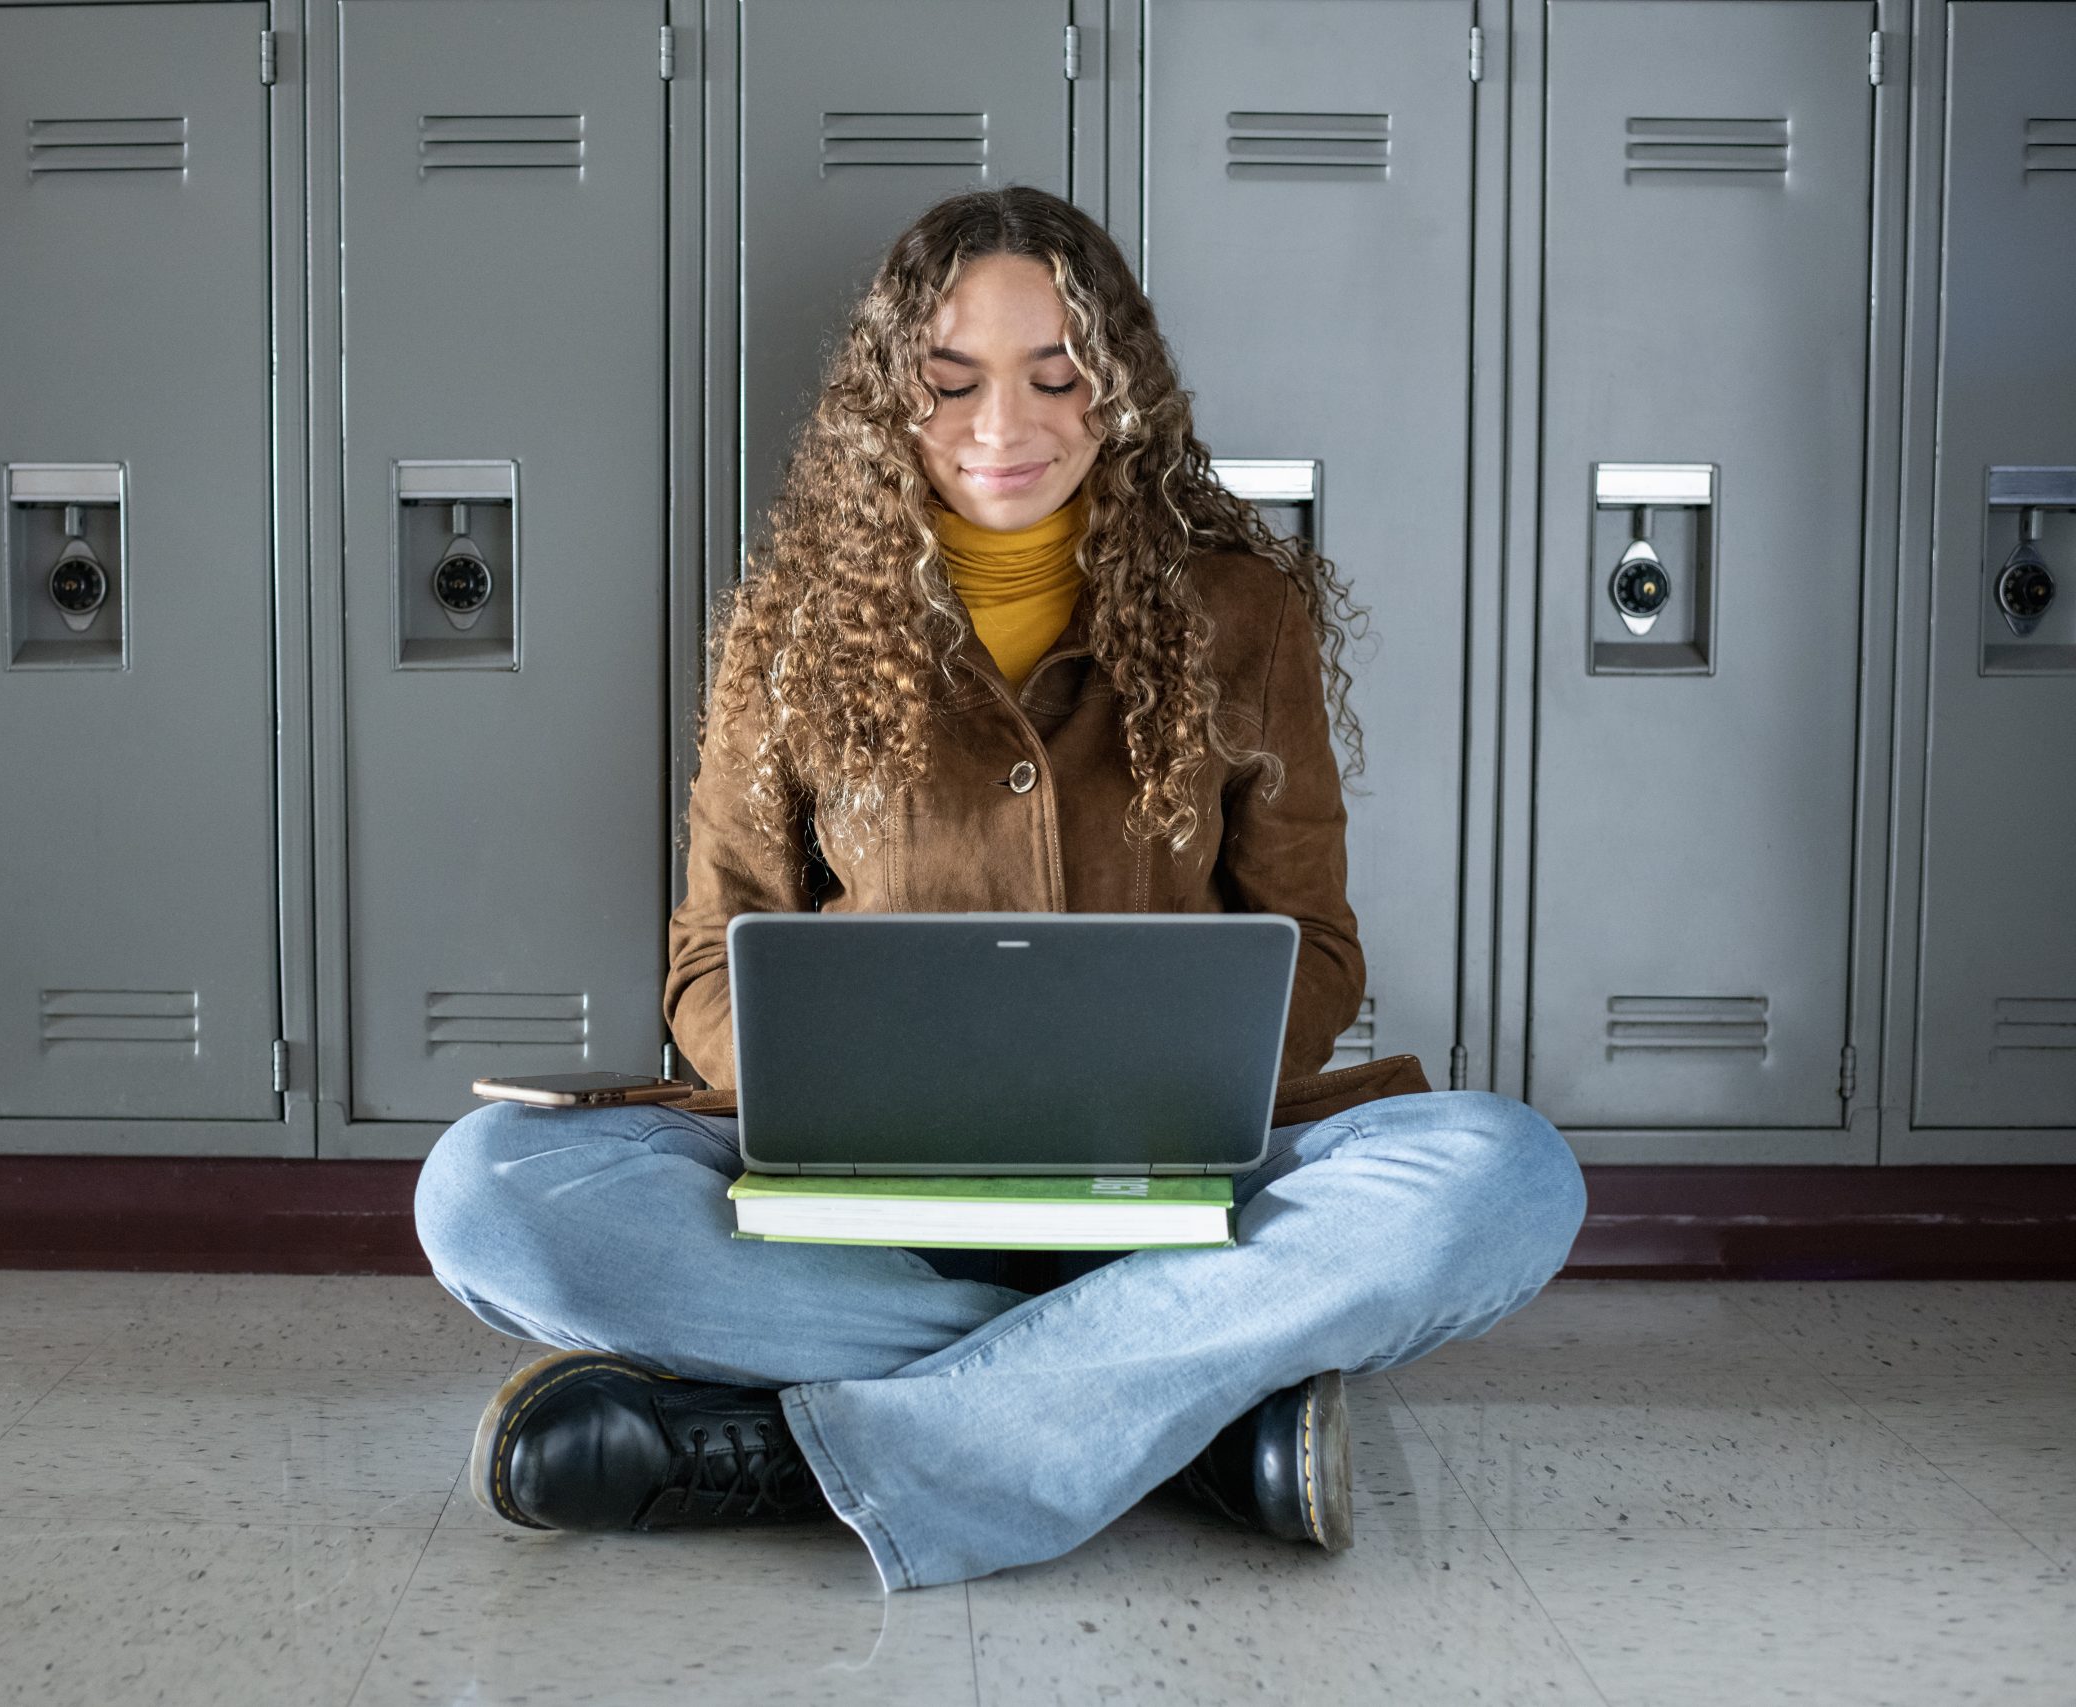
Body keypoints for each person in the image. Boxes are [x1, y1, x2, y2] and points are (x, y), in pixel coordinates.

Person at [413, 187, 1587, 1593]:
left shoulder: (1239, 610)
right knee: (483, 1198)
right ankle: (1183, 1398)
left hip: (1171, 1180)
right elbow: (708, 961)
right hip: (859, 1197)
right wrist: (832, 1092)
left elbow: (1318, 952)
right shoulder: (794, 622)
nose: (1003, 427)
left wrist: (1167, 1085)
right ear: (890, 400)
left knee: (1503, 1178)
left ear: (1119, 388)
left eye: (1056, 377)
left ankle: (808, 1448)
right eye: (952, 381)